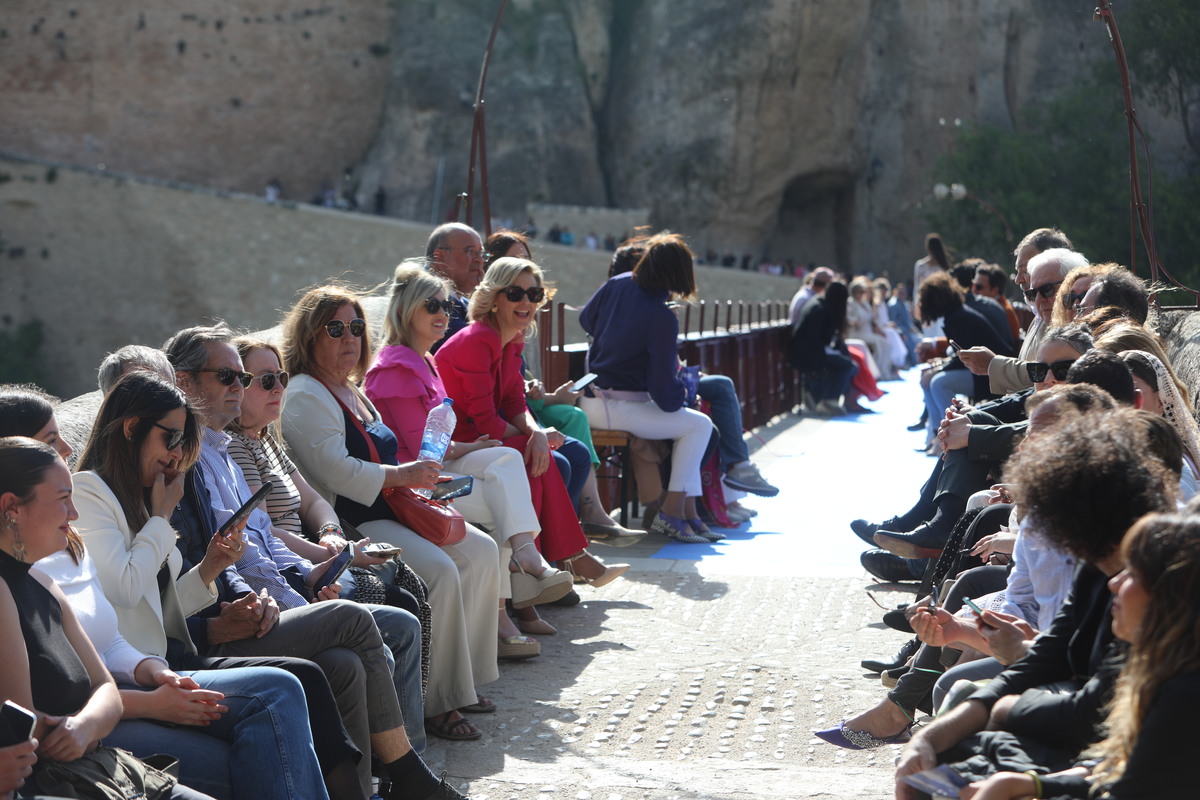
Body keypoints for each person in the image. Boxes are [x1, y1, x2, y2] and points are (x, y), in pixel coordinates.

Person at [161, 329, 464, 799]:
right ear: (182, 383)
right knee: (363, 618)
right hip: (229, 621)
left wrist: (314, 568)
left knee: (389, 625)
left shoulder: (224, 452)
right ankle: (406, 775)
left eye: (249, 377)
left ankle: (388, 780)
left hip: (274, 591)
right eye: (230, 376)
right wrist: (292, 589)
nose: (242, 387)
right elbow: (229, 561)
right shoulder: (188, 462)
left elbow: (261, 537)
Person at [892, 410, 1173, 798]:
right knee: (946, 750)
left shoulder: (1152, 580)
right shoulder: (1096, 568)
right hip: (1087, 736)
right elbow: (1048, 655)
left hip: (1110, 753)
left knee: (970, 730)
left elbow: (1093, 710)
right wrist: (928, 740)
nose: (1054, 538)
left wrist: (1003, 709)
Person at [276, 288, 502, 743]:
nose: (349, 338)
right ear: (308, 336)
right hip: (355, 518)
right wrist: (403, 474)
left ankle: (465, 678)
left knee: (482, 550)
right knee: (439, 570)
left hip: (392, 505)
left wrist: (417, 480)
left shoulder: (349, 388)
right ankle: (438, 701)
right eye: (335, 329)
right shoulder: (304, 392)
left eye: (357, 328)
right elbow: (333, 472)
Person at [361, 264, 577, 644]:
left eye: (445, 305)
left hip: (436, 471)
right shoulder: (395, 370)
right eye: (432, 306)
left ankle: (520, 571)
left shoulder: (424, 362)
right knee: (504, 494)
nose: (444, 313)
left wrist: (476, 447)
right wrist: (474, 446)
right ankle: (516, 586)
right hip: (415, 488)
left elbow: (451, 437)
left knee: (507, 463)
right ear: (406, 311)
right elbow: (427, 454)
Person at [0, 437, 215, 799]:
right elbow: (27, 726)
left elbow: (107, 690)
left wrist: (85, 725)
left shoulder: (43, 582)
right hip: (58, 780)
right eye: (62, 499)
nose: (74, 513)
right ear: (11, 508)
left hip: (93, 763)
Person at [963, 513, 1200, 800]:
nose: (1114, 582)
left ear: (1175, 594)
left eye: (1134, 572)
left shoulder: (1184, 693)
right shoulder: (1156, 662)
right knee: (980, 745)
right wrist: (1031, 785)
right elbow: (1117, 771)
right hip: (1095, 767)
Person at [433, 258, 635, 578]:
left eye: (534, 294)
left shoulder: (511, 339)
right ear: (495, 298)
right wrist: (533, 436)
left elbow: (515, 400)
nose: (526, 301)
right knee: (541, 459)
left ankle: (547, 566)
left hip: (482, 439)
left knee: (565, 454)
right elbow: (485, 420)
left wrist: (536, 431)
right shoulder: (477, 340)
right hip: (455, 447)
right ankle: (558, 561)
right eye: (515, 293)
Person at [483, 231, 657, 533]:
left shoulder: (516, 333)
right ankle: (578, 527)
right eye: (515, 259)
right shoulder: (485, 334)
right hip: (500, 421)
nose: (526, 300)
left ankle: (582, 523)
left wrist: (549, 396)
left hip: (522, 409)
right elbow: (489, 403)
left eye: (534, 295)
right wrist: (533, 426)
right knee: (568, 443)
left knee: (571, 428)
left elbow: (516, 390)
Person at [576, 233, 720, 543]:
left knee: (694, 426)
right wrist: (684, 396)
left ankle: (690, 515)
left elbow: (586, 319)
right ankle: (672, 512)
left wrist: (615, 335)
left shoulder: (618, 282)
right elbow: (665, 394)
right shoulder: (661, 315)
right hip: (619, 407)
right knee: (699, 426)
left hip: (593, 399)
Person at [914, 272, 1015, 451]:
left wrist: (937, 371)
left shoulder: (960, 318)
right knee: (930, 379)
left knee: (938, 383)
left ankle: (948, 436)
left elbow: (963, 359)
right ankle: (934, 435)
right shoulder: (957, 315)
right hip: (980, 372)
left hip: (989, 376)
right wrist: (938, 367)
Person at [789, 280, 859, 415]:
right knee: (847, 366)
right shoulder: (820, 309)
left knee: (846, 363)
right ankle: (829, 400)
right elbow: (813, 340)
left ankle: (826, 398)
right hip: (806, 354)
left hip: (811, 351)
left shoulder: (821, 305)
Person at [425, 223, 486, 350]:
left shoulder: (463, 303)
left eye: (481, 253)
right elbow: (475, 347)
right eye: (470, 251)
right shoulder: (425, 298)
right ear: (440, 256)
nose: (479, 260)